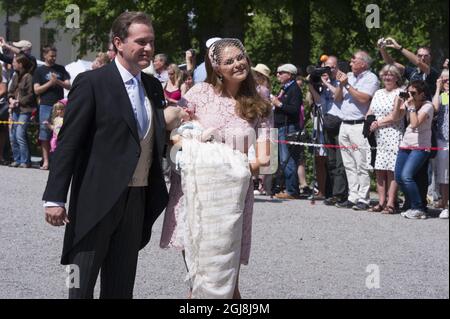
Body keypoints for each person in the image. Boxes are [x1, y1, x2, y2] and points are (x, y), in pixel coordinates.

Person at [42, 11, 169, 299]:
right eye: (141, 41)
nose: (148, 48)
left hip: (137, 199)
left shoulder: (152, 86)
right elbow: (69, 143)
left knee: (121, 288)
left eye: (151, 41)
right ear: (118, 43)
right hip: (95, 199)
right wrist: (54, 198)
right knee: (79, 284)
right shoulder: (92, 82)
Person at [160, 38, 272, 299]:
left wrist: (227, 166)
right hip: (194, 197)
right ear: (217, 68)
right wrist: (194, 148)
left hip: (231, 201)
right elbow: (175, 138)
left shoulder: (261, 102)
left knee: (227, 285)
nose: (237, 64)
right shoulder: (198, 93)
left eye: (240, 58)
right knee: (198, 281)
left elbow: (267, 158)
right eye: (229, 61)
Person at [335, 51, 380, 210]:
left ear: (364, 63)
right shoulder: (348, 76)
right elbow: (337, 99)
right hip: (345, 123)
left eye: (354, 60)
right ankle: (352, 196)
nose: (350, 63)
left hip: (359, 124)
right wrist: (341, 85)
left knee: (361, 163)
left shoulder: (371, 78)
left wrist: (347, 84)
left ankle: (364, 198)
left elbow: (363, 98)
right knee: (348, 163)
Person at [308, 56, 348, 205]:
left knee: (340, 162)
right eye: (326, 67)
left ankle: (341, 193)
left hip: (340, 124)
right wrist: (311, 85)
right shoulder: (326, 84)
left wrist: (326, 84)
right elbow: (320, 102)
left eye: (331, 67)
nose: (329, 70)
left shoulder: (342, 81)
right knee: (330, 161)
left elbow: (339, 97)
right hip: (328, 124)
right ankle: (332, 192)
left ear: (338, 67)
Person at [366, 65, 405, 214]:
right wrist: (368, 122)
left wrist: (378, 123)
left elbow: (396, 116)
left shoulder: (401, 92)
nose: (388, 77)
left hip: (393, 133)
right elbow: (370, 111)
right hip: (377, 135)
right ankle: (380, 202)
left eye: (391, 75)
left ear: (397, 77)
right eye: (385, 75)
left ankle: (391, 202)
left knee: (391, 169)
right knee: (379, 168)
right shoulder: (378, 93)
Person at [395, 80, 434, 220]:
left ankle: (418, 208)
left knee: (407, 176)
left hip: (421, 146)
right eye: (408, 92)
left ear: (422, 94)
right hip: (406, 144)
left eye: (413, 93)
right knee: (399, 177)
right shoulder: (408, 103)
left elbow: (415, 124)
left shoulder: (427, 106)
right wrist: (398, 100)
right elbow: (396, 116)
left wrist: (411, 107)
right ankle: (411, 204)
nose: (410, 95)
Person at [33, 46, 71, 170]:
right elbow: (36, 90)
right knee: (45, 133)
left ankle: (58, 160)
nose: (53, 58)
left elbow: (68, 85)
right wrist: (50, 83)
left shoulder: (61, 68)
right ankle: (46, 161)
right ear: (44, 55)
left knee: (59, 131)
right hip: (45, 105)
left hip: (59, 105)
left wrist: (57, 81)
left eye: (55, 55)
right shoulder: (39, 71)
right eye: (51, 56)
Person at [271, 64, 303, 199]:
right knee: (283, 159)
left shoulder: (294, 89)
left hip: (288, 127)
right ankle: (287, 187)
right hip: (281, 126)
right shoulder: (285, 88)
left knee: (287, 158)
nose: (277, 75)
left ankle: (291, 190)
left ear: (289, 75)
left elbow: (295, 109)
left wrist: (279, 104)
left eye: (280, 72)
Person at [7, 53, 37, 168]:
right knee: (12, 135)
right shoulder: (15, 76)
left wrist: (20, 101)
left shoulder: (29, 77)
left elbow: (31, 95)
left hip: (25, 110)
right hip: (15, 109)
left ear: (20, 64)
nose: (13, 63)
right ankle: (17, 159)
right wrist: (11, 100)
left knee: (20, 134)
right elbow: (10, 91)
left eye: (15, 62)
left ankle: (25, 160)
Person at [432, 70, 449, 219]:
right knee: (443, 174)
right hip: (443, 139)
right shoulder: (444, 96)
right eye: (445, 80)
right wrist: (438, 89)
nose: (448, 82)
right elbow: (435, 108)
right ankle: (445, 204)